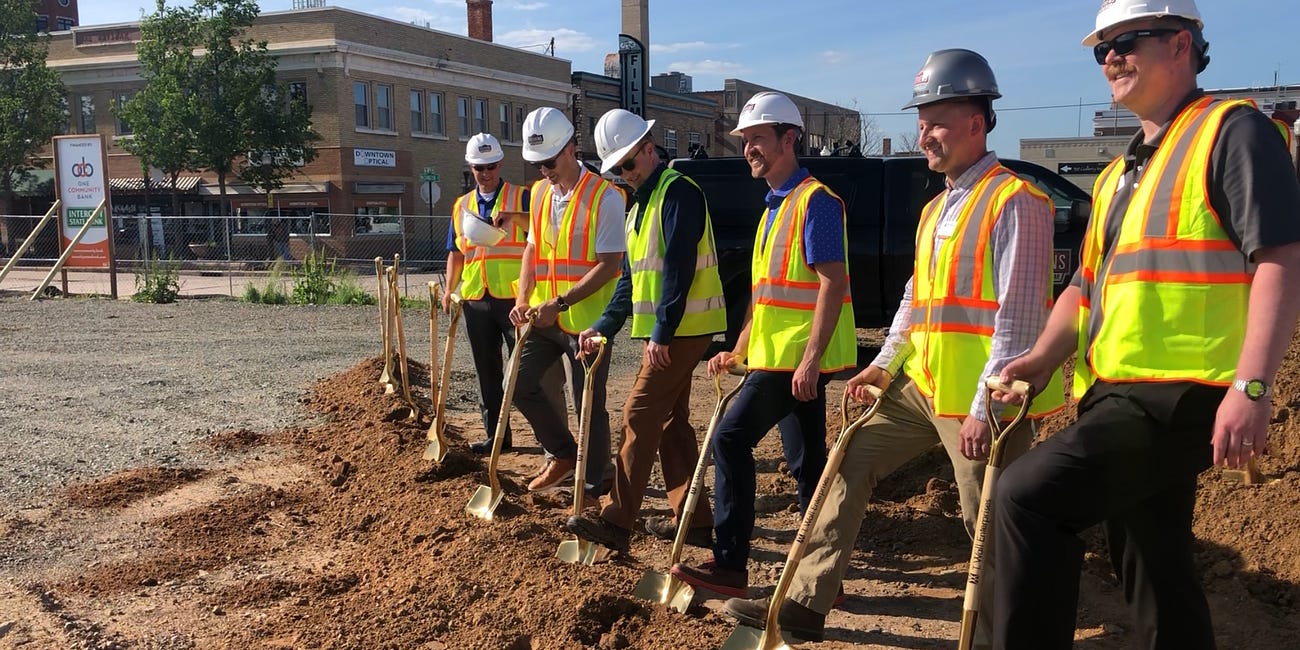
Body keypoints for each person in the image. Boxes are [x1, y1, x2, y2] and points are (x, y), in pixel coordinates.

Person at [718, 49, 1066, 645]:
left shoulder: (1018, 204)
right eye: (922, 121)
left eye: (937, 121)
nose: (924, 134)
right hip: (924, 386)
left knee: (988, 520)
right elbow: (915, 301)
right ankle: (802, 604)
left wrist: (985, 410)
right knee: (846, 466)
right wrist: (882, 367)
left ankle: (1005, 634)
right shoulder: (937, 207)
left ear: (978, 122)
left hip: (982, 401)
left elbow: (1020, 318)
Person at [991, 2, 1300, 648]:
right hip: (1117, 393)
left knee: (1027, 497)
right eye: (1100, 49)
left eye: (1127, 42)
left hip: (1183, 392)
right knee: (1151, 556)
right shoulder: (1118, 174)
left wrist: (1252, 387)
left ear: (1180, 45)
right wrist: (1042, 358)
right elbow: (1085, 285)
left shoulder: (1232, 133)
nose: (1109, 58)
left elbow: (1279, 257)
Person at [669, 91, 857, 598]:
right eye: (746, 140)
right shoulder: (774, 205)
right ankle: (825, 577)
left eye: (759, 139)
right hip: (777, 355)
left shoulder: (814, 202)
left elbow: (832, 282)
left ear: (789, 139)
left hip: (797, 358)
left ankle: (730, 566)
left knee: (730, 438)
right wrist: (740, 348)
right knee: (807, 462)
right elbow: (765, 297)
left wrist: (812, 360)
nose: (750, 148)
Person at [562, 109, 727, 553]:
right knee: (670, 421)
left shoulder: (678, 193)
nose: (624, 174)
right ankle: (693, 520)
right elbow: (631, 284)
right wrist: (601, 328)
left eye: (628, 165)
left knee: (637, 412)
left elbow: (678, 268)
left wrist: (663, 332)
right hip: (672, 329)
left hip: (685, 328)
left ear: (650, 150)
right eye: (616, 169)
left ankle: (617, 521)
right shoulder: (640, 208)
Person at [509, 107, 625, 499]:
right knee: (518, 384)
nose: (544, 170)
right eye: (538, 163)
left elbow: (610, 266)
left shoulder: (605, 197)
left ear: (572, 149)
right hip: (544, 316)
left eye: (550, 161)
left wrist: (560, 302)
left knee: (589, 404)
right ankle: (561, 454)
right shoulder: (540, 193)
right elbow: (531, 248)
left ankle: (595, 482)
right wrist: (523, 298)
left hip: (587, 324)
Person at [445, 133, 551, 454]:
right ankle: (497, 438)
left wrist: (515, 219)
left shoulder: (523, 198)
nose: (485, 173)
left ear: (500, 163)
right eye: (479, 167)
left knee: (527, 373)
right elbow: (455, 253)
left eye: (491, 166)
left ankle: (549, 439)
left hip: (516, 298)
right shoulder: (461, 206)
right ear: (471, 168)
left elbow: (543, 231)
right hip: (477, 298)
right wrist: (450, 292)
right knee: (486, 371)